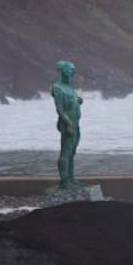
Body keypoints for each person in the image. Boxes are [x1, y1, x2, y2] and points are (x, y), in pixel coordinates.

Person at [51, 60, 81, 188]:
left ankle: (71, 178)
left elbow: (73, 102)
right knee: (66, 152)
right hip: (67, 124)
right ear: (64, 71)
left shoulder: (70, 87)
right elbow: (60, 110)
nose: (73, 72)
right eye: (70, 70)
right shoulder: (57, 88)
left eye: (73, 70)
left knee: (72, 153)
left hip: (76, 123)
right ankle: (64, 181)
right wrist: (68, 123)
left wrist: (78, 100)